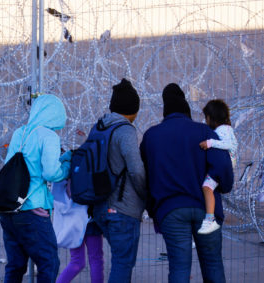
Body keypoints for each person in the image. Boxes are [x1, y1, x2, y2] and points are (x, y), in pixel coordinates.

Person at [140, 83, 234, 283]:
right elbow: (222, 166)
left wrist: (153, 209)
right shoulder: (204, 132)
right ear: (186, 108)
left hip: (171, 210)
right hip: (205, 207)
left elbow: (144, 178)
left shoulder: (151, 137)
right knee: (213, 264)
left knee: (179, 268)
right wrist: (224, 187)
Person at [0, 94, 71, 283]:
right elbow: (51, 172)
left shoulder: (20, 133)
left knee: (15, 265)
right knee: (49, 263)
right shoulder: (48, 136)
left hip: (10, 209)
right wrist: (67, 167)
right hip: (33, 209)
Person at [92, 78, 147, 283]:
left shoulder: (99, 127)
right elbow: (136, 170)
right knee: (123, 263)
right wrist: (145, 195)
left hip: (99, 206)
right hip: (122, 209)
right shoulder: (125, 130)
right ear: (133, 109)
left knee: (119, 260)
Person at [198, 99, 238, 234]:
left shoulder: (223, 130)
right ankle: (209, 220)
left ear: (211, 117)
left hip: (224, 166)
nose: (205, 121)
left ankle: (209, 220)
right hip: (225, 165)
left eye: (206, 118)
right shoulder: (225, 129)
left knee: (207, 187)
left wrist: (210, 143)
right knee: (207, 188)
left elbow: (228, 145)